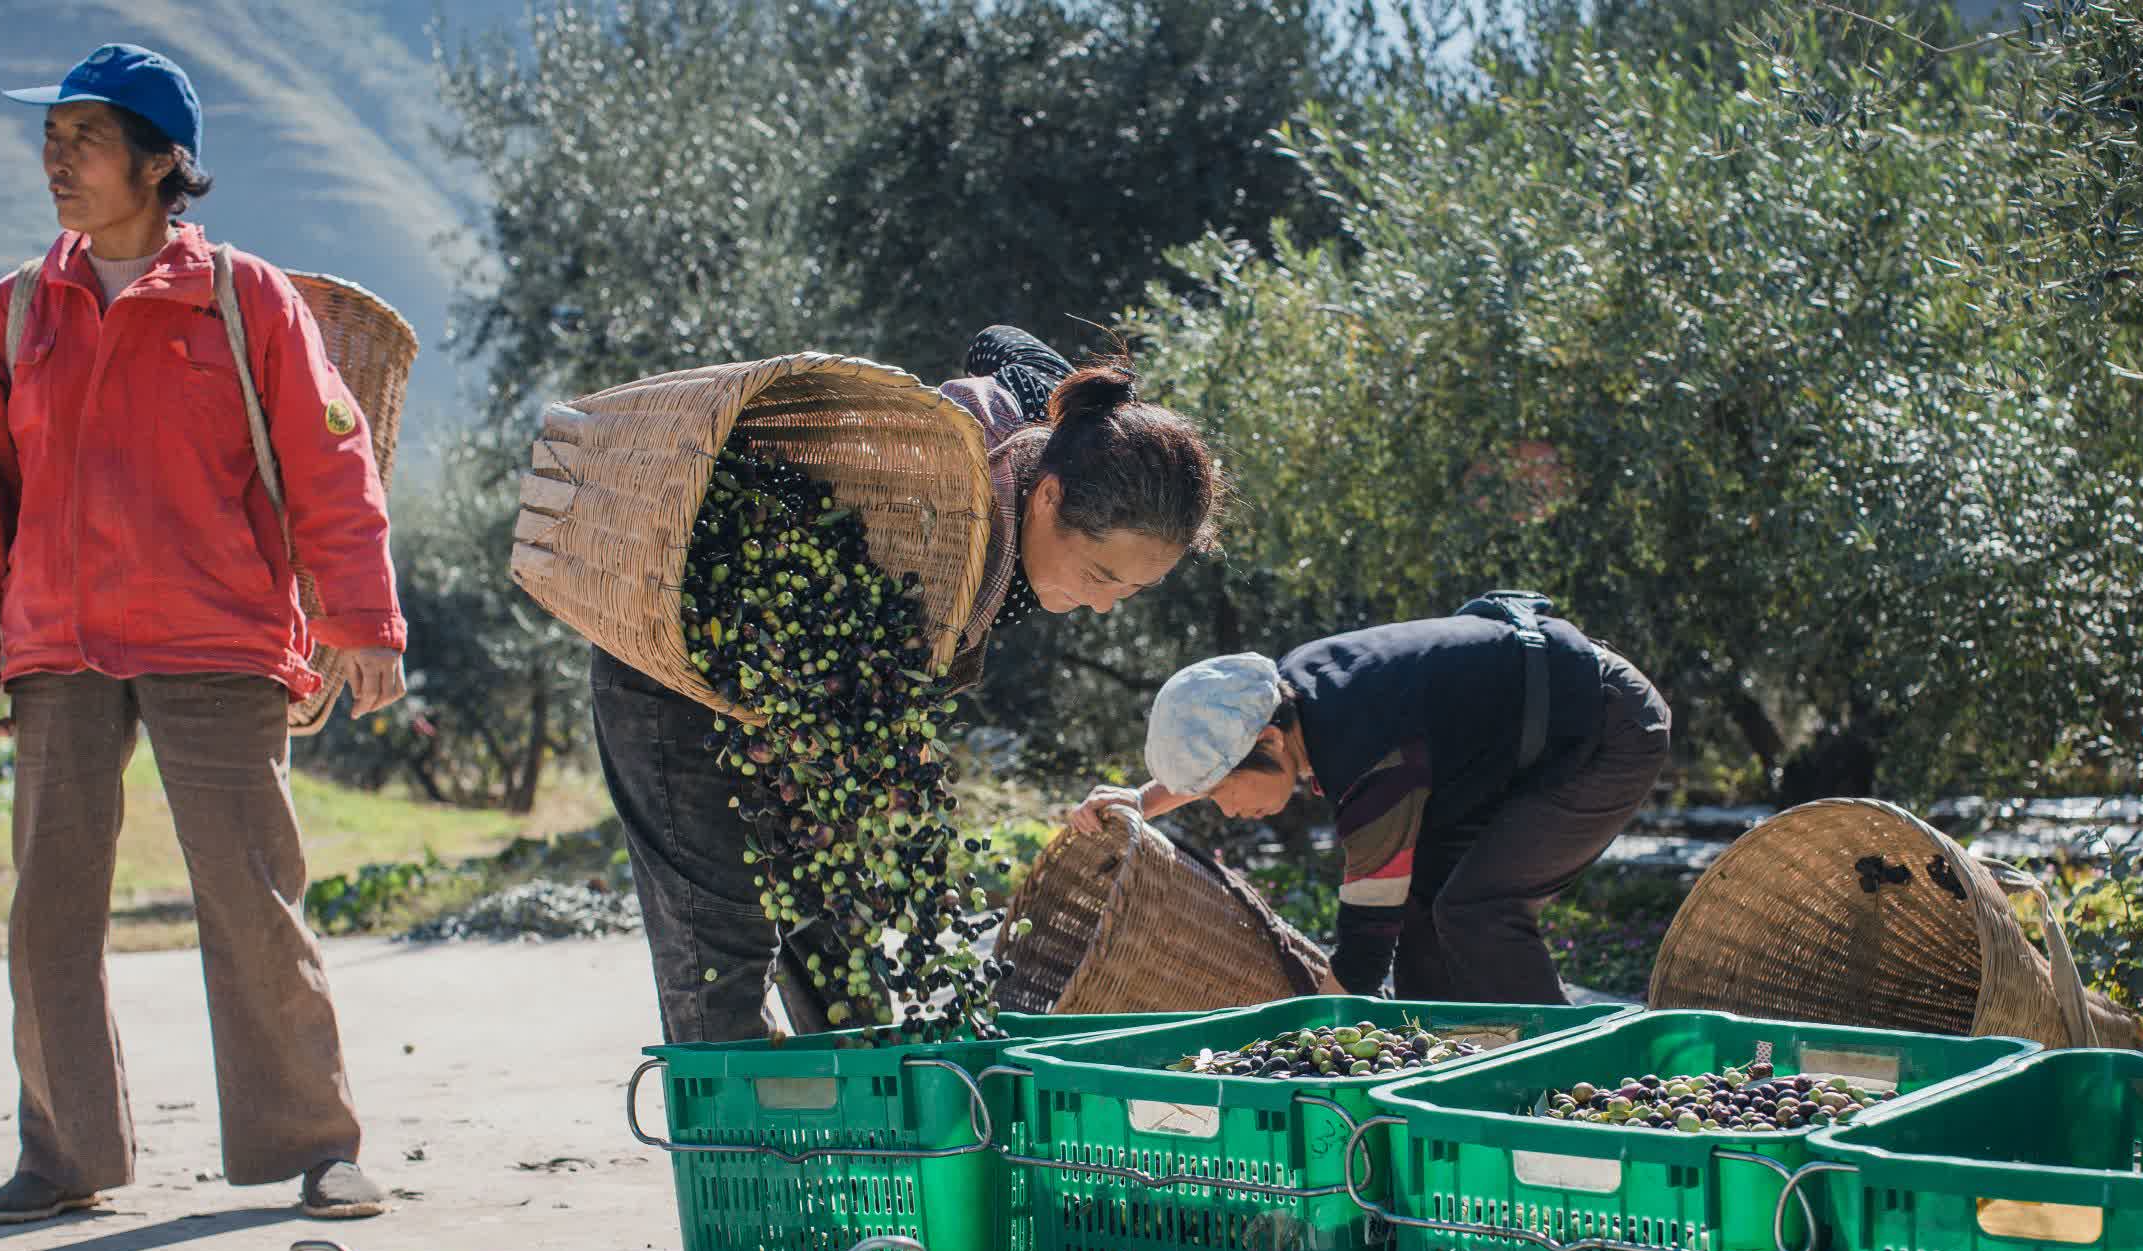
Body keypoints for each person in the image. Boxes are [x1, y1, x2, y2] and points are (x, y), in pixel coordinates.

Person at [0, 45, 409, 1225]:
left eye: (87, 139)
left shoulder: (244, 298)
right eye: (50, 137)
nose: (57, 158)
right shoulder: (15, 312)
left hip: (219, 638)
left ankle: (315, 1142)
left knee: (252, 892)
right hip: (57, 644)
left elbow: (332, 462)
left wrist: (363, 618)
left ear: (164, 164)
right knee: (49, 905)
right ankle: (63, 1155)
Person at [594, 328, 1225, 1043]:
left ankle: (864, 1143)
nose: (1107, 603)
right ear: (1047, 498)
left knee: (842, 950)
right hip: (677, 657)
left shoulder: (1054, 437)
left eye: (1133, 589)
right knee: (721, 957)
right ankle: (737, 1149)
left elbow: (999, 343)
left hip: (806, 714)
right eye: (1102, 575)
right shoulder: (936, 531)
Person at [1071, 609, 1670, 1003]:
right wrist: (1143, 801)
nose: (1225, 810)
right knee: (1423, 916)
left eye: (1222, 792)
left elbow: (1365, 936)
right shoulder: (1287, 693)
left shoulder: (1364, 754)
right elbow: (1223, 754)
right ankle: (1450, 1070)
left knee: (1476, 910)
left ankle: (1562, 1078)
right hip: (1515, 747)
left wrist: (1319, 1029)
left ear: (1270, 743)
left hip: (1606, 728)